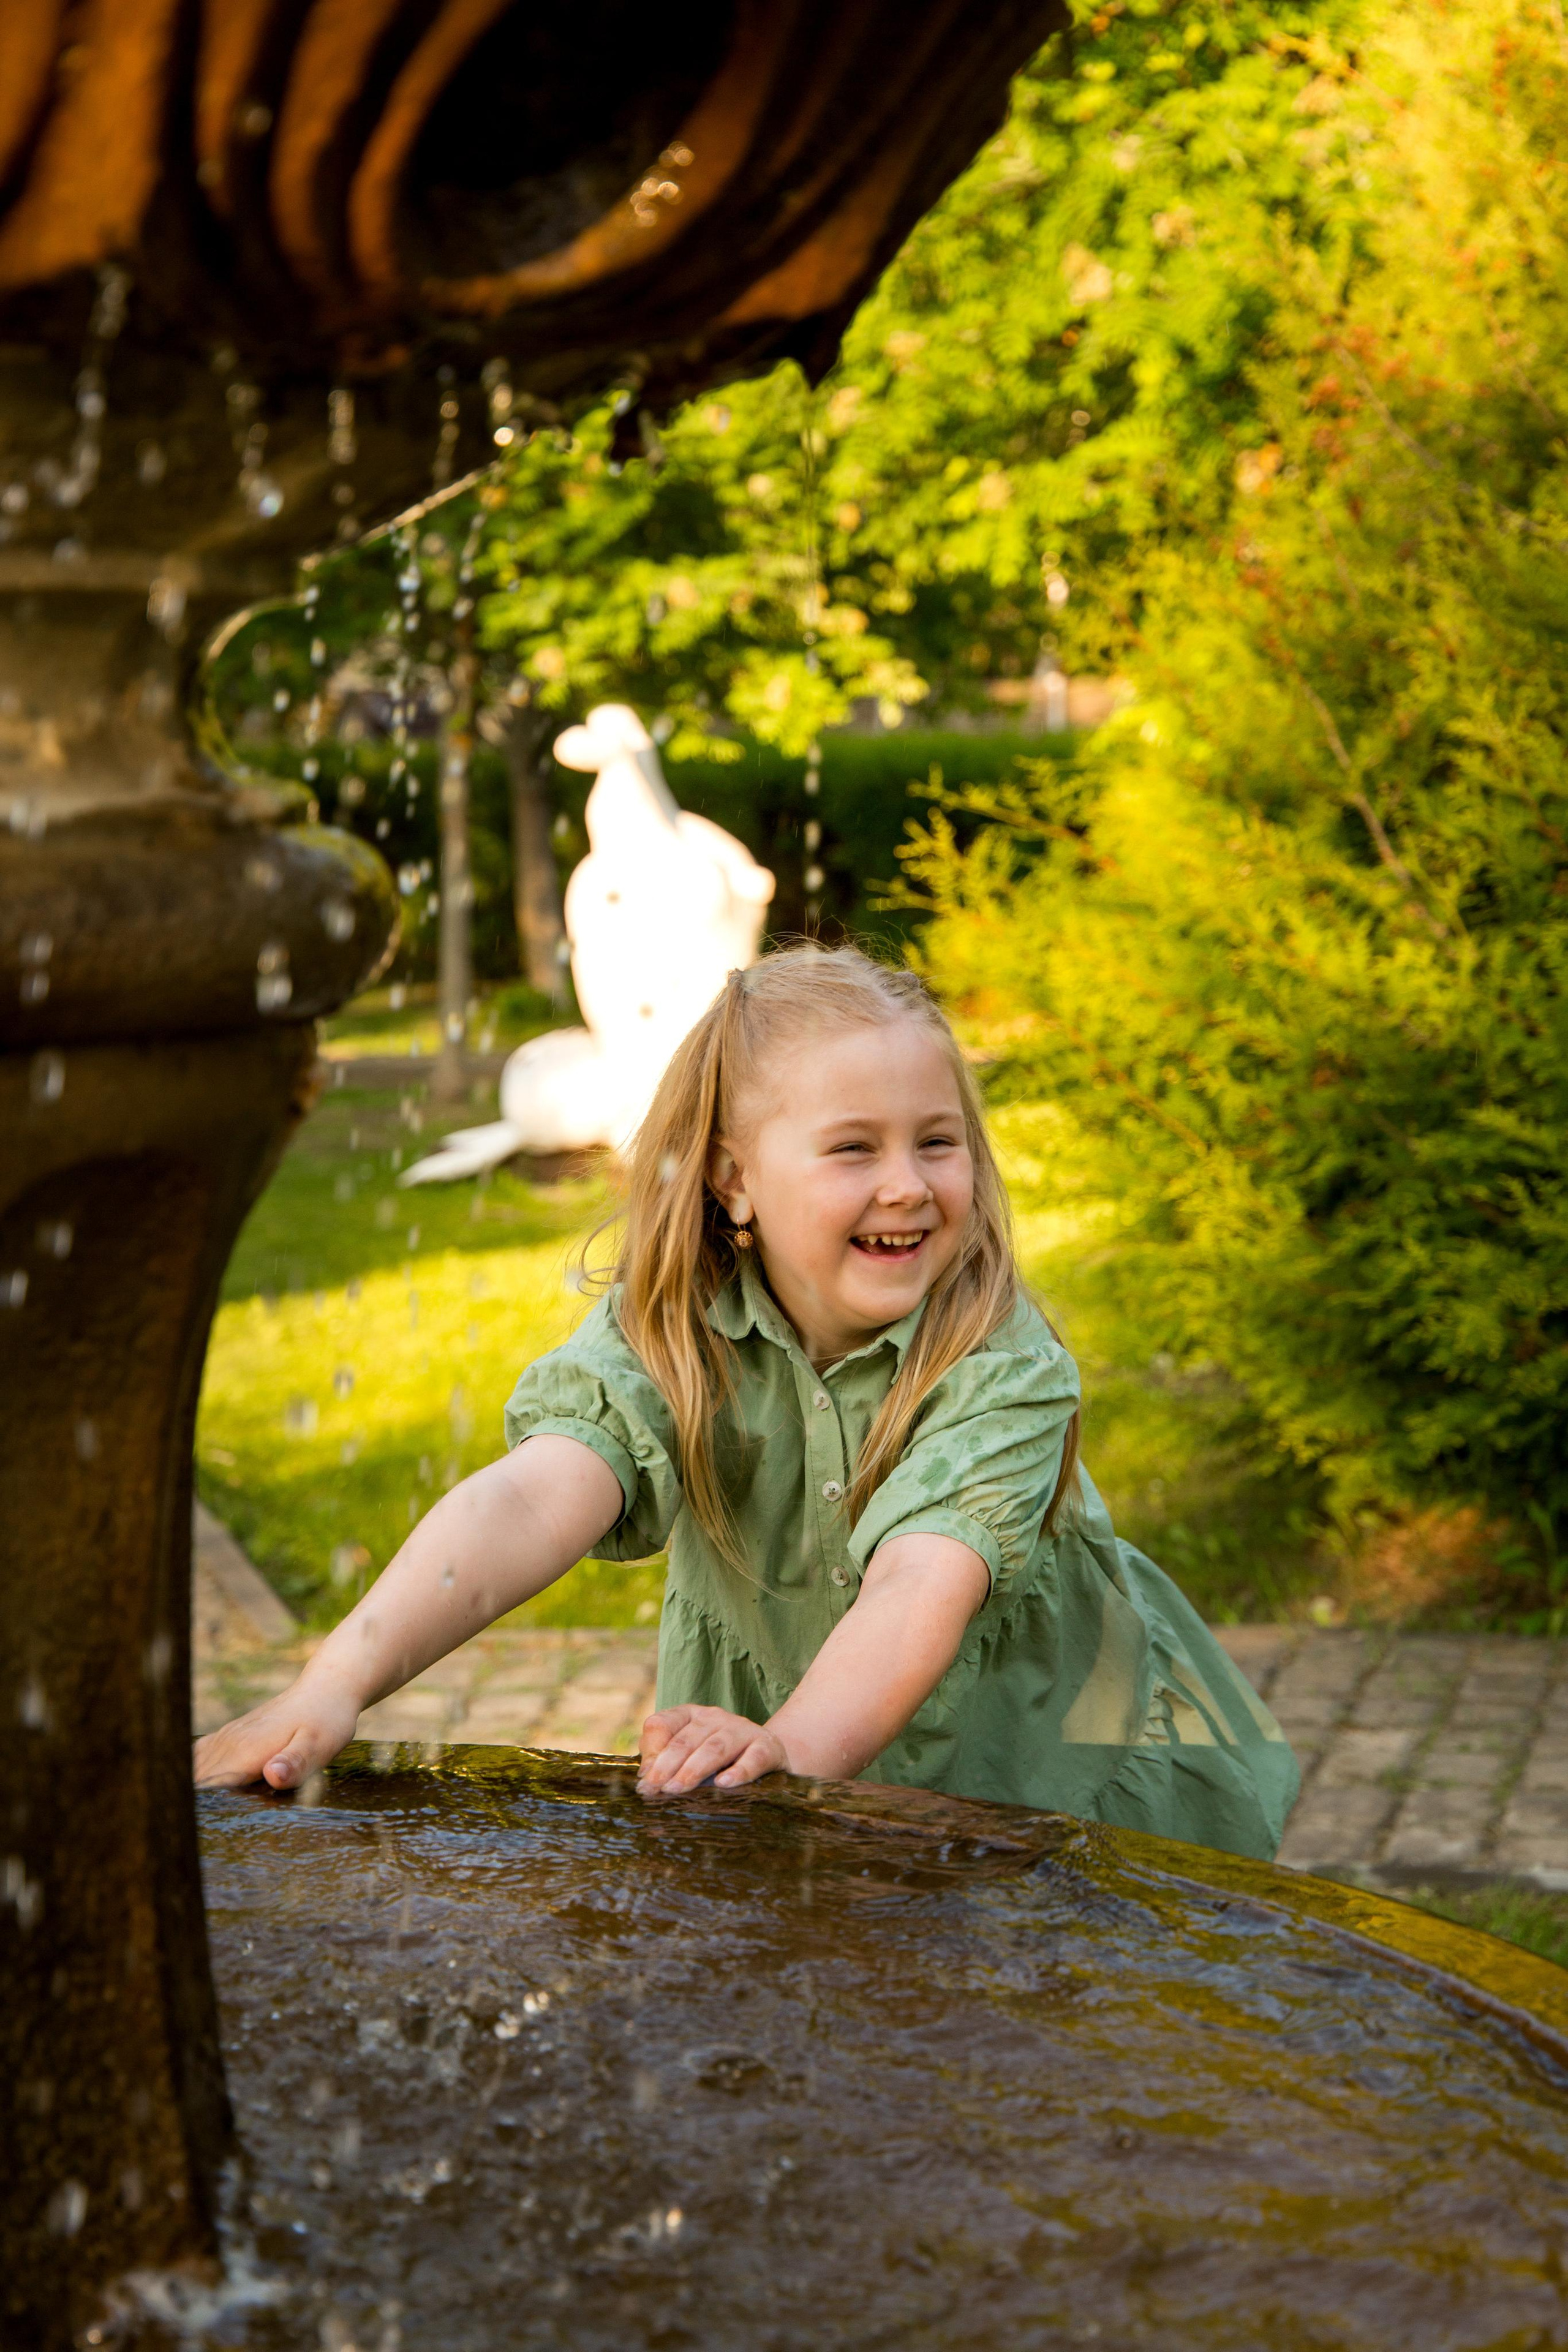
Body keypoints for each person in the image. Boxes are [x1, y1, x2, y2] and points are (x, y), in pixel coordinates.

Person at [195, 945, 1298, 1860]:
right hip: (782, 1743)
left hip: (1023, 1756)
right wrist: (335, 1685)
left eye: (937, 1141)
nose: (908, 1184)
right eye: (853, 1149)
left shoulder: (998, 1366)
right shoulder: (673, 1331)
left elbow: (921, 1586)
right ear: (732, 1182)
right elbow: (534, 1502)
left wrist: (789, 1750)